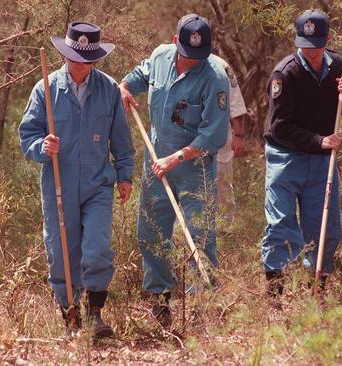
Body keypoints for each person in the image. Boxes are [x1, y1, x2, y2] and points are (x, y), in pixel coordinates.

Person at [19, 21, 135, 338]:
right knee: (61, 253)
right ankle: (70, 316)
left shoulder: (109, 89)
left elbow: (122, 142)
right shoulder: (45, 88)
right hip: (58, 183)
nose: (78, 65)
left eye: (85, 60)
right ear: (65, 54)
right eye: (73, 57)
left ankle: (95, 314)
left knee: (97, 248)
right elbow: (26, 136)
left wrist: (125, 176)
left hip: (98, 184)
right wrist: (41, 147)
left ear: (95, 60)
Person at [119, 14, 230, 325]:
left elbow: (214, 135)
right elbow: (138, 76)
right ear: (174, 42)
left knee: (200, 237)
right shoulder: (160, 56)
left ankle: (202, 307)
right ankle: (161, 300)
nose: (192, 61)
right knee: (150, 232)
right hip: (156, 161)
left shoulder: (216, 77)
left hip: (195, 166)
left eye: (199, 56)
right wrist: (125, 86)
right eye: (186, 54)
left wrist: (177, 158)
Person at [261, 9, 342, 297]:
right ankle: (275, 298)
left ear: (327, 39)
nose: (312, 52)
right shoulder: (285, 72)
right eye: (306, 46)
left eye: (317, 45)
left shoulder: (339, 66)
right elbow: (279, 127)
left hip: (321, 162)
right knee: (280, 225)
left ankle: (317, 293)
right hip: (285, 157)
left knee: (324, 230)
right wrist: (319, 141)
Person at [210, 55, 248, 220]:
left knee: (222, 184)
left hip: (219, 137)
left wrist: (238, 135)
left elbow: (235, 102)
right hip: (188, 138)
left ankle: (226, 229)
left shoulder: (221, 66)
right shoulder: (177, 64)